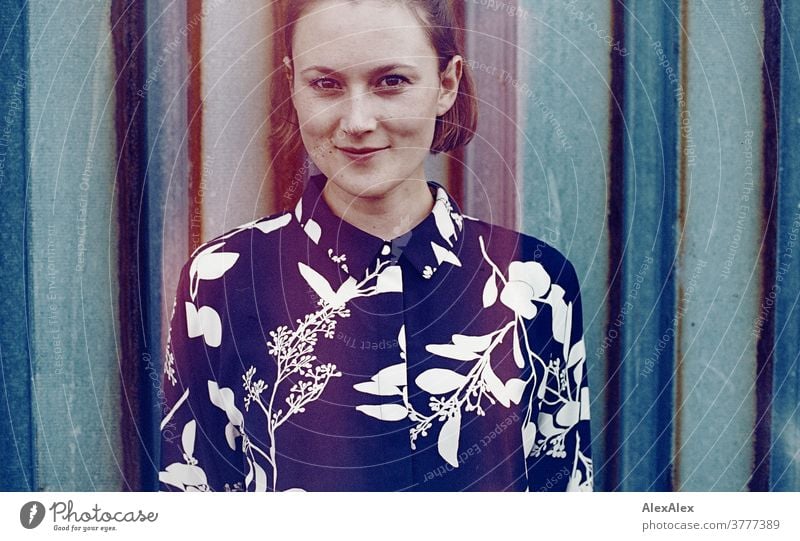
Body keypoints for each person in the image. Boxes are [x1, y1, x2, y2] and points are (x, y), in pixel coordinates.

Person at [159, 0, 592, 492]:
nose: (357, 121)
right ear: (292, 85)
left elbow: (562, 493)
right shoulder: (221, 279)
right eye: (326, 84)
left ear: (446, 84)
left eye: (391, 81)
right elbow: (194, 493)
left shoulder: (536, 280)